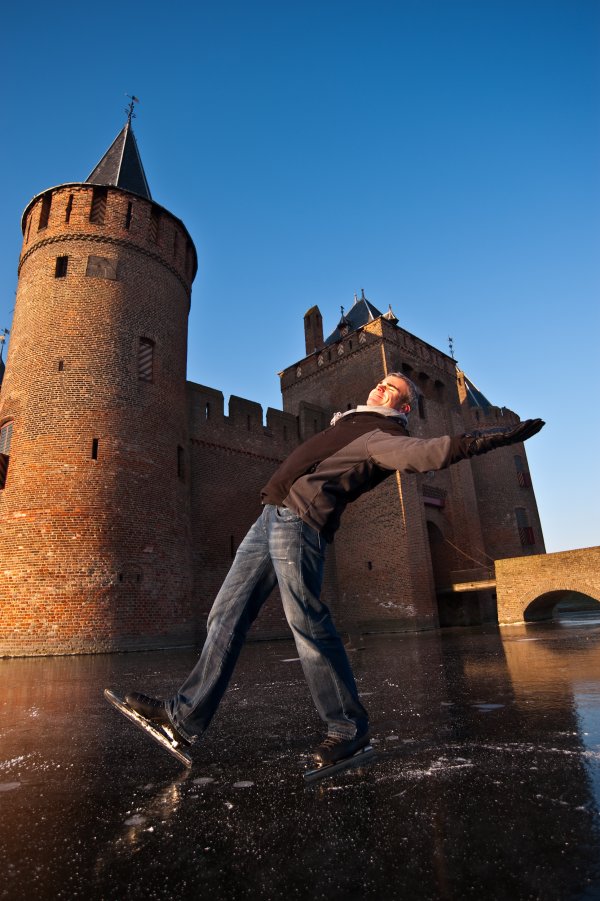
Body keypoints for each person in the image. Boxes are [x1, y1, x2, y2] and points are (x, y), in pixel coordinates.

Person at [121, 373, 544, 767]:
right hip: (271, 517)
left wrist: (484, 440)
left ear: (404, 408)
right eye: (382, 382)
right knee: (225, 616)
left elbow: (423, 454)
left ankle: (348, 728)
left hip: (299, 523)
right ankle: (183, 717)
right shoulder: (353, 422)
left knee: (307, 623)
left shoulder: (383, 435)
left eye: (393, 390)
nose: (381, 388)